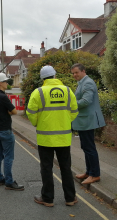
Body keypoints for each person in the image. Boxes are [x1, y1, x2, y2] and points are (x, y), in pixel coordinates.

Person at [26, 65, 78, 207]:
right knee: (66, 167)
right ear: (55, 76)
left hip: (45, 138)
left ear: (43, 79)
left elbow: (30, 112)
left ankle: (47, 198)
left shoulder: (38, 92)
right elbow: (74, 111)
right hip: (64, 137)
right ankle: (70, 198)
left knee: (46, 168)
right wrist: (65, 122)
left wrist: (38, 123)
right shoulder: (67, 91)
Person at [71, 63, 106, 185]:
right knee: (86, 147)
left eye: (76, 72)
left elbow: (86, 101)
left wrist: (70, 104)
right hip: (84, 120)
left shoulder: (88, 83)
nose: (75, 75)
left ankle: (95, 174)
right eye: (73, 73)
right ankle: (89, 172)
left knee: (89, 148)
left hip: (88, 120)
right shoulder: (82, 83)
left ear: (83, 71)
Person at [0, 73, 24, 191]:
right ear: (0, 83)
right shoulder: (3, 97)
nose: (7, 83)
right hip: (5, 129)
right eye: (5, 81)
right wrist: (8, 112)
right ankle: (9, 182)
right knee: (9, 156)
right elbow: (14, 111)